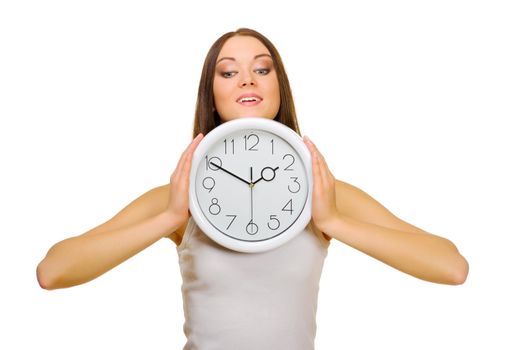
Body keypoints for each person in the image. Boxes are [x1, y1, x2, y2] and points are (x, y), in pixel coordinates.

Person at [36, 28, 469, 349]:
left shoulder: (326, 192)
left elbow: (451, 267)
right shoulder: (177, 196)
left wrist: (333, 220)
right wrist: (169, 218)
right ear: (212, 93)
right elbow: (53, 271)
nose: (248, 79)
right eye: (229, 72)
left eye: (263, 69)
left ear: (280, 86)